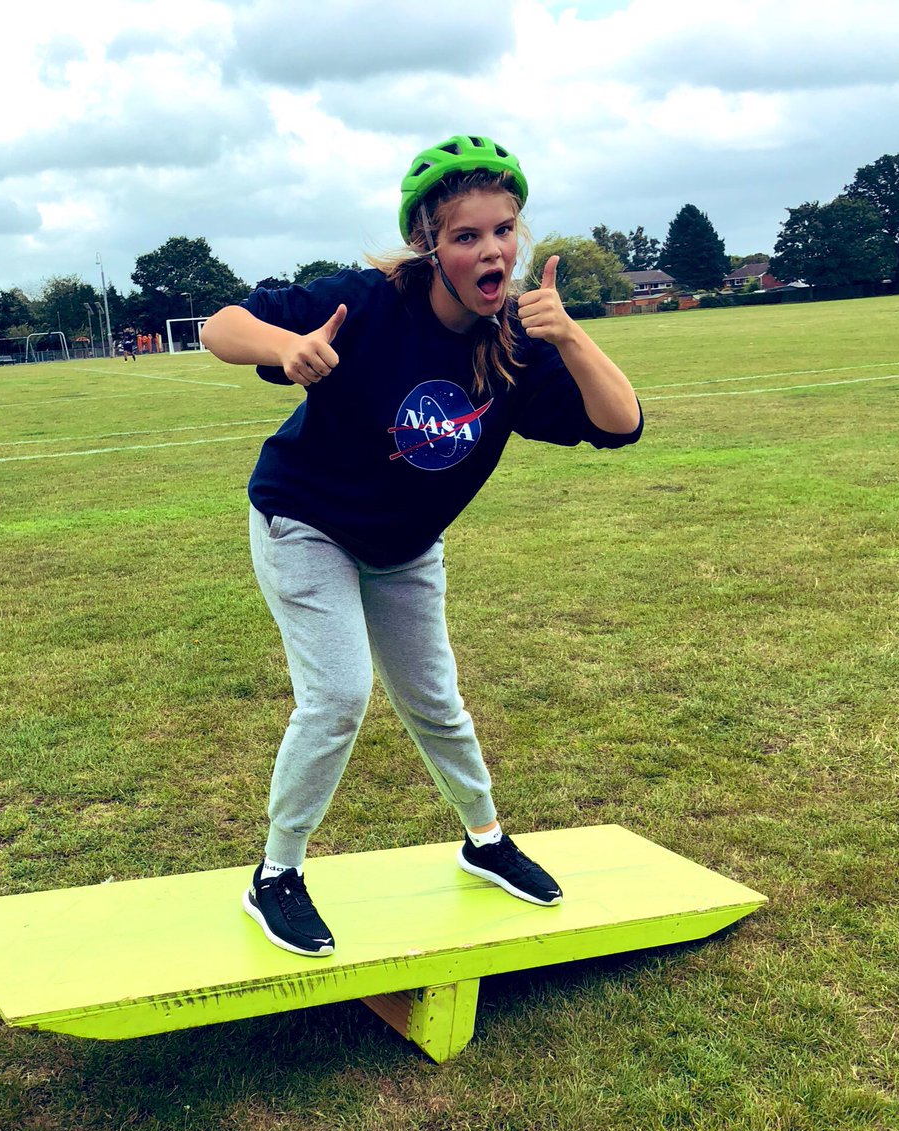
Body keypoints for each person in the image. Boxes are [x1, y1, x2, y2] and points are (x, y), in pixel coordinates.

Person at [200, 135, 643, 958]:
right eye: (467, 235)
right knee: (336, 698)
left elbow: (623, 426)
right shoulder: (367, 303)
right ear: (428, 244)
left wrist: (573, 338)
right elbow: (221, 325)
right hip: (306, 521)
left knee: (436, 700)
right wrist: (284, 347)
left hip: (405, 545)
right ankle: (276, 874)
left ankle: (484, 840)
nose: (493, 251)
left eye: (504, 230)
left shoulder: (518, 342)